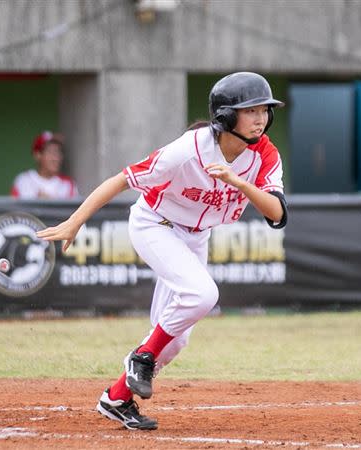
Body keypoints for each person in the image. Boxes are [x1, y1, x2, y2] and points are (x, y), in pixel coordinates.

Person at [37, 72, 288, 430]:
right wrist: (75, 221)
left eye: (264, 109)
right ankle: (140, 358)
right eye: (250, 110)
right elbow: (122, 179)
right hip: (155, 224)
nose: (260, 117)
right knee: (203, 295)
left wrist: (238, 182)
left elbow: (277, 213)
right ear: (226, 116)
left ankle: (117, 397)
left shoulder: (264, 154)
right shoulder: (188, 150)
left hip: (196, 236)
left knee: (175, 339)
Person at [11, 131, 79, 199]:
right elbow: (15, 209)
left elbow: (77, 209)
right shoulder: (23, 180)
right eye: (51, 152)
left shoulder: (68, 184)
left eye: (58, 152)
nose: (56, 158)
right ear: (38, 155)